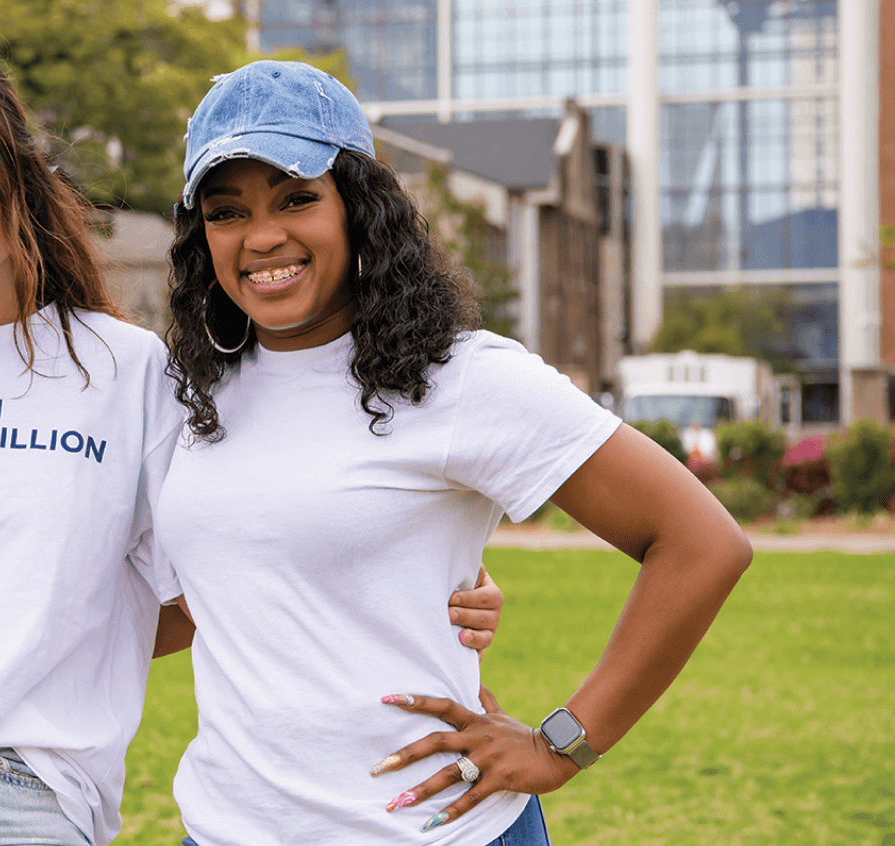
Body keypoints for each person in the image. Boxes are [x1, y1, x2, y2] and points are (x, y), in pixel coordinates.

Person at [0, 38, 503, 846]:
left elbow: (222, 574)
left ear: (16, 180)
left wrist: (424, 578)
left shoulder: (128, 373)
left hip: (25, 798)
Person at [154, 60, 751, 846]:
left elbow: (703, 543)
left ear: (359, 209)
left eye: (297, 197)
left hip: (433, 830)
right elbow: (215, 597)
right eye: (228, 212)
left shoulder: (458, 377)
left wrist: (561, 744)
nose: (263, 237)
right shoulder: (191, 392)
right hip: (227, 828)